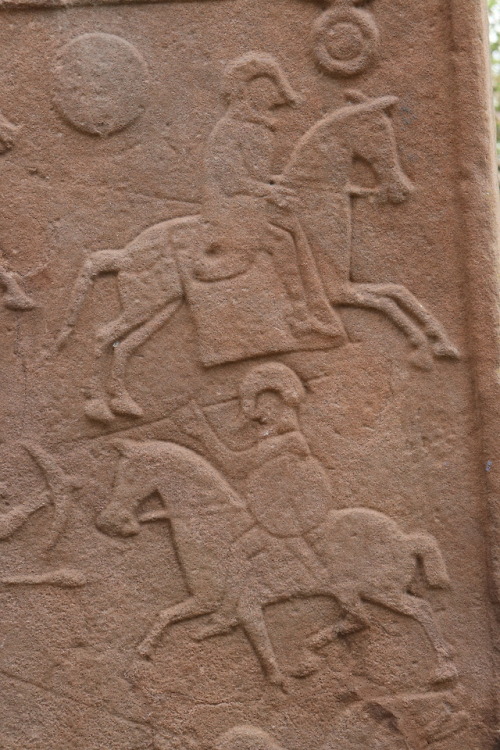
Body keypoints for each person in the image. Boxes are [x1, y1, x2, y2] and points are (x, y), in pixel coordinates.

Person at [177, 363, 332, 636]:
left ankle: (228, 614)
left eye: (267, 410)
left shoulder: (289, 441)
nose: (261, 417)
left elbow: (234, 465)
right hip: (276, 513)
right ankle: (228, 613)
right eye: (260, 411)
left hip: (286, 519)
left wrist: (203, 432)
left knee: (241, 552)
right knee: (241, 550)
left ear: (281, 406)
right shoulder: (279, 439)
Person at [199, 53, 336, 336]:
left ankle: (320, 302)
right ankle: (299, 316)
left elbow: (253, 176)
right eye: (264, 89)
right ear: (245, 93)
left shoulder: (252, 128)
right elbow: (231, 180)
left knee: (295, 227)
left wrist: (276, 185)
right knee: (281, 241)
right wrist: (270, 193)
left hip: (247, 205)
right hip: (229, 211)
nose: (271, 96)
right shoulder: (230, 129)